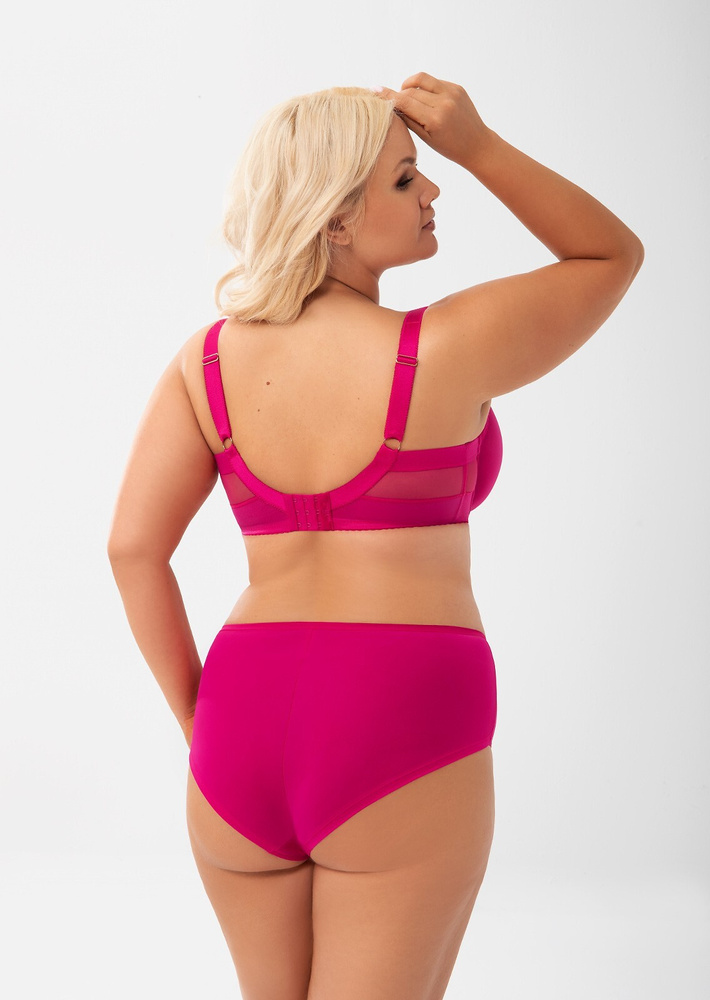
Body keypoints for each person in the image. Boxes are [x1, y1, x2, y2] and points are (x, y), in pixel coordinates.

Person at [107, 71, 644, 999]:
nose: (433, 187)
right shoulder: (445, 346)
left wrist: (204, 726)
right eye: (405, 176)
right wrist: (480, 145)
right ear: (335, 220)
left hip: (241, 717)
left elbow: (132, 549)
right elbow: (610, 254)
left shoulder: (206, 362)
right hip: (398, 714)